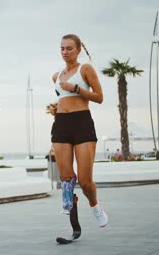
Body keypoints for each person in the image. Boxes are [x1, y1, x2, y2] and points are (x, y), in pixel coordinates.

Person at [48, 34, 108, 228]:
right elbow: (63, 99)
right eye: (62, 49)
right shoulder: (56, 76)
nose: (65, 52)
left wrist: (76, 88)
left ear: (78, 50)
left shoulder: (85, 69)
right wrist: (56, 109)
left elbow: (99, 97)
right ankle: (73, 215)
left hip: (82, 123)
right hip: (61, 124)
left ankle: (94, 204)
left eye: (69, 48)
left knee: (85, 180)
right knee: (66, 177)